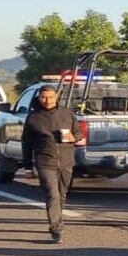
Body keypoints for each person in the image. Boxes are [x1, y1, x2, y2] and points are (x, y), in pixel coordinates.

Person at [22, 84, 85, 243]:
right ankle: (56, 228)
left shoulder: (67, 113)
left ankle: (58, 219)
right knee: (52, 194)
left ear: (56, 97)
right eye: (44, 97)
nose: (47, 100)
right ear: (39, 98)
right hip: (45, 161)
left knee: (62, 194)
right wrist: (28, 167)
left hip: (66, 161)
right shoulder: (33, 118)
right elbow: (26, 144)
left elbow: (78, 132)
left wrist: (74, 137)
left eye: (50, 96)